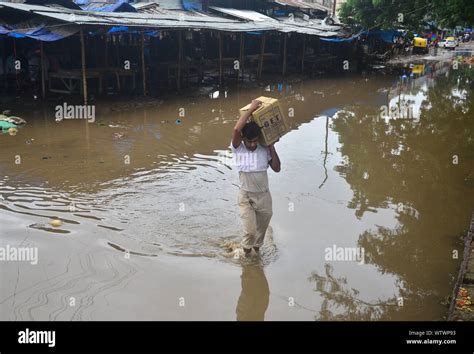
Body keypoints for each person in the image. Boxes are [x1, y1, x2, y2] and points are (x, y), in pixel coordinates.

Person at [231, 99, 281, 258]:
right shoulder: (238, 148)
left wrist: (271, 145)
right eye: (249, 141)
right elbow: (237, 129)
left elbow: (277, 168)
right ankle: (246, 256)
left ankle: (256, 252)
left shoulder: (263, 148)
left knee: (262, 230)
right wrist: (251, 109)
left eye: (255, 141)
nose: (252, 144)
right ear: (243, 139)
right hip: (246, 196)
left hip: (264, 195)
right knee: (250, 232)